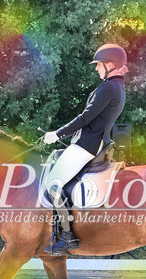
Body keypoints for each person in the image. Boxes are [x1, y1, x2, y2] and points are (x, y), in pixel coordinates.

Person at [42, 44, 128, 256]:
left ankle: (67, 236)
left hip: (87, 145)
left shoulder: (108, 88)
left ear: (110, 64)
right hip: (93, 143)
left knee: (53, 185)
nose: (96, 68)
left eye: (99, 65)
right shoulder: (117, 87)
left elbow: (85, 118)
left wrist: (57, 134)